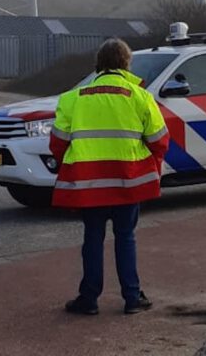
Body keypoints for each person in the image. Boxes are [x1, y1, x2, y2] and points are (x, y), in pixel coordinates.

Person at [49, 38, 170, 314]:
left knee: (92, 237)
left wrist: (72, 166)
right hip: (128, 181)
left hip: (89, 184)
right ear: (127, 63)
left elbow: (57, 143)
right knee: (125, 236)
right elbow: (160, 140)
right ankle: (132, 298)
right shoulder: (141, 97)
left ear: (98, 65)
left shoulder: (73, 99)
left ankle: (89, 299)